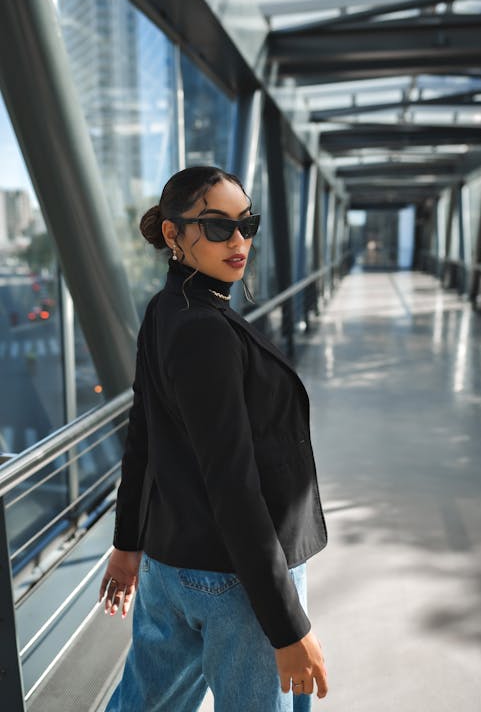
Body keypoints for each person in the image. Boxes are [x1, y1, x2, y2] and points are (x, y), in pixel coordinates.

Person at [99, 166, 329, 711]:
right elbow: (233, 486)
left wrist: (129, 544)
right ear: (173, 235)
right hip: (239, 581)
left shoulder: (166, 311)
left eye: (245, 224)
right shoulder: (204, 329)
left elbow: (144, 434)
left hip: (172, 566)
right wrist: (287, 627)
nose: (239, 241)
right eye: (217, 226)